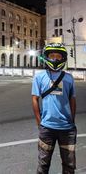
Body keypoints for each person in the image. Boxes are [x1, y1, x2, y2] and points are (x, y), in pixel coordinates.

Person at [32, 43, 77, 174]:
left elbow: (72, 99)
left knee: (69, 166)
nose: (55, 59)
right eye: (52, 56)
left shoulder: (69, 78)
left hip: (67, 129)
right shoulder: (39, 77)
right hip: (47, 128)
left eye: (58, 56)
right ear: (47, 57)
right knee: (43, 166)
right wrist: (39, 122)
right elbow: (35, 99)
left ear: (63, 58)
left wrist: (71, 120)